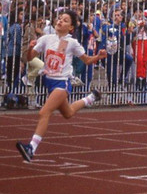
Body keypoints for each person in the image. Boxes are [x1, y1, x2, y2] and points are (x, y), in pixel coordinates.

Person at [16, 10, 107, 162]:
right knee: (68, 113)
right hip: (48, 81)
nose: (60, 21)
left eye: (65, 20)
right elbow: (29, 57)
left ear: (71, 27)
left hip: (62, 83)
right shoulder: (46, 39)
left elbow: (86, 60)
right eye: (59, 19)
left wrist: (98, 57)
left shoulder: (72, 43)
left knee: (44, 112)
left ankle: (31, 148)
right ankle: (92, 97)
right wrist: (31, 47)